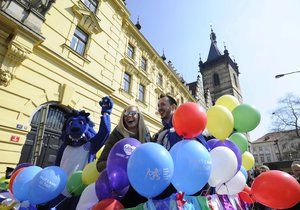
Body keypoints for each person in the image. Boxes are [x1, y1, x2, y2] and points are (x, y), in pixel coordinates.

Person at [96, 105, 151, 208]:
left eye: (132, 113)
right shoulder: (116, 135)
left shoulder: (146, 136)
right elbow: (100, 164)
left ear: (139, 116)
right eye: (125, 114)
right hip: (120, 194)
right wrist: (119, 167)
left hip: (142, 193)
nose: (128, 116)